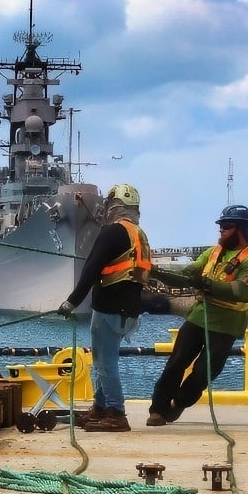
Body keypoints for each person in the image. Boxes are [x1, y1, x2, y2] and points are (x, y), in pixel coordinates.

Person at [145, 204, 248, 427]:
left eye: (227, 226)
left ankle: (179, 403)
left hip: (227, 324)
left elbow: (240, 291)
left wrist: (205, 283)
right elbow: (186, 276)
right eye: (220, 226)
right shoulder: (212, 253)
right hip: (199, 316)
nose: (221, 230)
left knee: (204, 372)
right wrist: (154, 271)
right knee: (176, 363)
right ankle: (158, 410)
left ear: (241, 229)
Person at [56, 183, 153, 432]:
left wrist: (71, 302)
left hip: (109, 309)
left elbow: (91, 268)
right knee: (103, 361)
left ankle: (116, 414)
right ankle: (100, 408)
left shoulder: (112, 232)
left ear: (113, 206)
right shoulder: (139, 235)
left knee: (105, 363)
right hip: (128, 312)